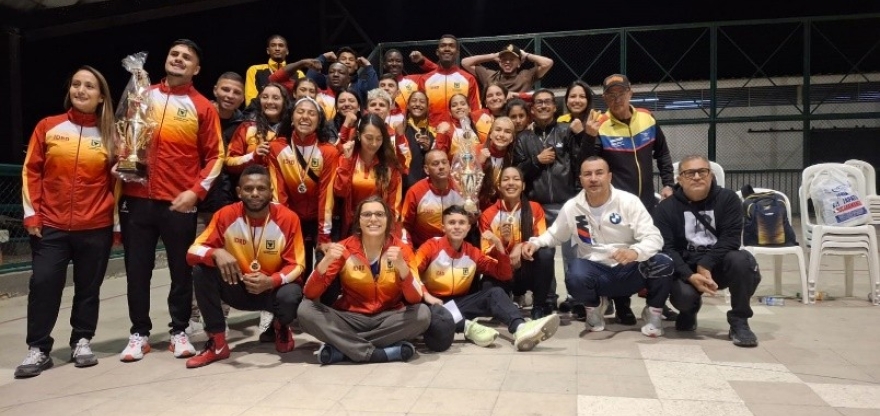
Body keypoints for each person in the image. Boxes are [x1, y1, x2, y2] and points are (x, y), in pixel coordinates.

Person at [118, 39, 225, 362]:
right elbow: (126, 136)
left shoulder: (203, 106)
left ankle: (179, 330)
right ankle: (139, 333)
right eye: (174, 54)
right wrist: (122, 156)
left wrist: (196, 191)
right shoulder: (142, 95)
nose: (178, 59)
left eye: (186, 57)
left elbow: (216, 155)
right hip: (137, 200)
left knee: (181, 271)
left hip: (179, 202)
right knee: (137, 271)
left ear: (196, 69)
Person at [16, 66, 117, 378]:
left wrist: (115, 225)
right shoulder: (48, 126)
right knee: (44, 284)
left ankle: (82, 340)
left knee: (89, 288)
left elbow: (119, 184)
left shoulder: (112, 136)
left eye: (89, 86)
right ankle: (39, 348)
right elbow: (31, 170)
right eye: (76, 84)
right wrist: (32, 213)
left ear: (101, 97)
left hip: (95, 224)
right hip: (52, 225)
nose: (81, 90)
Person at [522, 157, 674, 337]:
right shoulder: (572, 207)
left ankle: (653, 312)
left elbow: (654, 237)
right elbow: (555, 234)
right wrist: (535, 242)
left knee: (663, 263)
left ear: (609, 176)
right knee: (575, 274)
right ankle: (594, 309)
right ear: (581, 180)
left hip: (630, 269)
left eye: (599, 173)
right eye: (587, 174)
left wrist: (635, 252)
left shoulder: (629, 202)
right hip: (597, 272)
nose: (593, 178)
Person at [184, 165, 306, 368]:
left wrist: (271, 281)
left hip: (271, 291)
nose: (255, 193)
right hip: (237, 287)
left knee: (292, 294)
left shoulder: (288, 218)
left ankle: (280, 325)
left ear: (271, 191)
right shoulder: (225, 215)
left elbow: (298, 264)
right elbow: (192, 252)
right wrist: (215, 252)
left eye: (261, 188)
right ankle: (218, 343)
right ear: (239, 192)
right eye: (248, 189)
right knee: (201, 271)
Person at [297, 196, 430, 364]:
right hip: (351, 318)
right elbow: (309, 292)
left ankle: (344, 348)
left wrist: (402, 267)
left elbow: (415, 298)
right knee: (305, 310)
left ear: (388, 220)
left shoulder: (401, 250)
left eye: (379, 214)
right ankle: (377, 353)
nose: (373, 219)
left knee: (423, 314)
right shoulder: (344, 248)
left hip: (389, 317)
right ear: (358, 220)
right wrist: (324, 262)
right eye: (367, 214)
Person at [591, 74, 677, 324]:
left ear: (631, 93)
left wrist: (669, 184)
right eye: (611, 95)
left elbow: (662, 154)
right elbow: (592, 162)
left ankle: (657, 302)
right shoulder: (602, 125)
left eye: (621, 93)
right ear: (605, 98)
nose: (616, 99)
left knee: (652, 251)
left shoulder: (647, 118)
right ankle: (622, 305)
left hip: (648, 202)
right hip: (618, 205)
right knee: (621, 255)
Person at [415, 205, 560, 351]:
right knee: (436, 316)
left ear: (468, 227)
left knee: (495, 292)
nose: (457, 227)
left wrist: (499, 246)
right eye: (452, 223)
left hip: (460, 303)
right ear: (443, 227)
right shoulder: (431, 247)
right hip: (432, 304)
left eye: (461, 223)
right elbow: (411, 273)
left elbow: (504, 274)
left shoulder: (472, 252)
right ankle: (468, 327)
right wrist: (426, 295)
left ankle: (521, 328)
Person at [652, 155, 761, 347]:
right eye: (689, 173)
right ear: (680, 179)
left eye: (702, 171)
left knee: (742, 261)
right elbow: (667, 248)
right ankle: (689, 311)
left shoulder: (728, 200)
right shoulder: (666, 209)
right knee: (683, 297)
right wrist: (689, 275)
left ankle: (739, 321)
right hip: (687, 267)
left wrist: (705, 264)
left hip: (719, 264)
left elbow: (731, 239)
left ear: (710, 175)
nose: (696, 177)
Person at [512, 88, 589, 313]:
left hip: (568, 203)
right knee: (544, 255)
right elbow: (517, 170)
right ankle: (547, 298)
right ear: (532, 109)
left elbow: (580, 162)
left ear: (555, 107)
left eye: (548, 102)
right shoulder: (523, 138)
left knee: (573, 254)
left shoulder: (566, 131)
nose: (543, 106)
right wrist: (536, 161)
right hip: (538, 205)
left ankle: (577, 299)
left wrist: (581, 135)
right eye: (539, 103)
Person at [267, 97, 338, 279]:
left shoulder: (328, 151)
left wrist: (323, 237)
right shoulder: (277, 148)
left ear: (319, 120)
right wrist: (285, 229)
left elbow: (326, 195)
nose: (305, 117)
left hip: (319, 219)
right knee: (297, 271)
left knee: (324, 270)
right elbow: (278, 194)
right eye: (300, 112)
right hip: (291, 218)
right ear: (291, 117)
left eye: (311, 113)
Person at [479, 167, 555, 319]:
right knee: (487, 289)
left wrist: (520, 246)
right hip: (502, 270)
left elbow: (541, 239)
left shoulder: (534, 208)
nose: (511, 183)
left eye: (516, 179)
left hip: (527, 268)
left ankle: (538, 306)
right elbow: (485, 253)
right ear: (499, 186)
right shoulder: (488, 215)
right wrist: (503, 244)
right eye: (506, 179)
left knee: (546, 253)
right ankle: (508, 303)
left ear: (523, 185)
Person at [334, 113, 404, 237]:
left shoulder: (391, 165)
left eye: (379, 138)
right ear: (359, 136)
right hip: (351, 227)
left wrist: (390, 235)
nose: (374, 143)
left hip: (378, 227)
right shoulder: (348, 157)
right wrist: (346, 161)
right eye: (369, 138)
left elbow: (393, 206)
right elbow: (340, 191)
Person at [401, 149, 464, 248]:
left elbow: (469, 222)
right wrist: (409, 252)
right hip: (423, 249)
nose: (441, 167)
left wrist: (473, 218)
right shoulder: (415, 192)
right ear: (426, 169)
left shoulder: (460, 188)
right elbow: (405, 226)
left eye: (444, 162)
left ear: (449, 165)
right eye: (435, 164)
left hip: (455, 248)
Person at [418, 35, 481, 126]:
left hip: (460, 134)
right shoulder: (425, 80)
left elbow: (476, 110)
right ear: (437, 52)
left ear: (457, 53)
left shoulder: (469, 79)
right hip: (433, 133)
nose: (447, 49)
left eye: (451, 46)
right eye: (443, 45)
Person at [460, 43, 554, 96]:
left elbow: (548, 63)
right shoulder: (490, 75)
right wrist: (493, 56)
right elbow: (465, 62)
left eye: (512, 59)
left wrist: (526, 55)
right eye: (504, 59)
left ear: (519, 63)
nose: (507, 62)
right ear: (500, 62)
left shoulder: (526, 76)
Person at [306, 46, 378, 105]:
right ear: (336, 63)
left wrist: (368, 66)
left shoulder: (361, 84)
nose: (347, 62)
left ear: (356, 66)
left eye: (351, 59)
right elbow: (309, 79)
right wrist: (323, 57)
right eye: (343, 59)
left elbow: (374, 92)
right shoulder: (328, 80)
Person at [400, 90, 435, 194]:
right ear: (408, 105)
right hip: (402, 183)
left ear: (428, 107)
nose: (418, 104)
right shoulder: (400, 128)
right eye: (414, 101)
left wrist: (428, 150)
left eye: (422, 102)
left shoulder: (433, 132)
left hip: (424, 186)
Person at [244, 35, 293, 107]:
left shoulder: (298, 73)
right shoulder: (254, 70)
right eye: (273, 45)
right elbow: (250, 101)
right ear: (268, 51)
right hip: (260, 115)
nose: (277, 48)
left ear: (287, 51)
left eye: (281, 46)